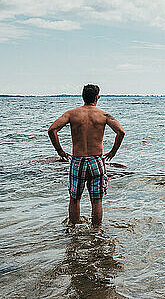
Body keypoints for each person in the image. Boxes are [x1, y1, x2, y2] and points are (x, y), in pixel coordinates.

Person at [48, 84, 125, 227]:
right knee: (96, 199)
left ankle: (74, 230)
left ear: (83, 97)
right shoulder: (104, 115)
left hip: (77, 160)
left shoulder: (71, 114)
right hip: (97, 160)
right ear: (97, 98)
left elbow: (52, 129)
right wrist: (113, 152)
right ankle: (96, 231)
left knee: (75, 198)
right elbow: (121, 132)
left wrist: (59, 151)